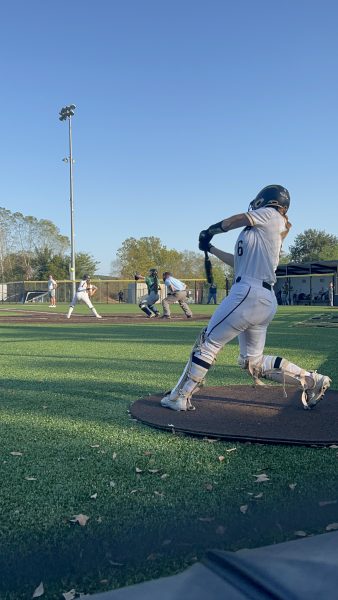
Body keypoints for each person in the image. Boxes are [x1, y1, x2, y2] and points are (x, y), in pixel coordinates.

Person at [161, 184, 331, 412]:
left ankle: (180, 397)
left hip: (248, 293)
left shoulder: (270, 214)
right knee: (253, 362)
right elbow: (237, 262)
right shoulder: (266, 228)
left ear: (267, 200)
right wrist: (211, 248)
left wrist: (212, 229)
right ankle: (312, 380)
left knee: (208, 342)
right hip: (261, 297)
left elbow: (235, 221)